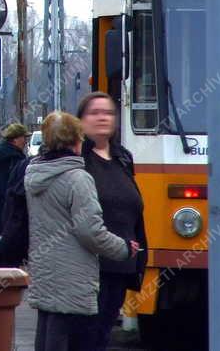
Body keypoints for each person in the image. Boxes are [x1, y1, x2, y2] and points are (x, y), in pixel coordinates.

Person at [24, 111, 138, 351]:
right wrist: (124, 248)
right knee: (72, 335)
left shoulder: (35, 175)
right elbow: (90, 231)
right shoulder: (77, 179)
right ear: (76, 141)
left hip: (45, 268)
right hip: (72, 272)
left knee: (47, 329)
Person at [78, 92, 148, 351]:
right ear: (81, 120)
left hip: (120, 266)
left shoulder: (123, 158)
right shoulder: (77, 159)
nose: (102, 118)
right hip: (88, 266)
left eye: (107, 112)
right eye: (94, 112)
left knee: (103, 334)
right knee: (85, 337)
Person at [0, 122, 29, 235]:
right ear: (15, 139)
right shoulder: (14, 159)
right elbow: (17, 188)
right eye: (24, 138)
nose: (26, 142)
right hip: (5, 212)